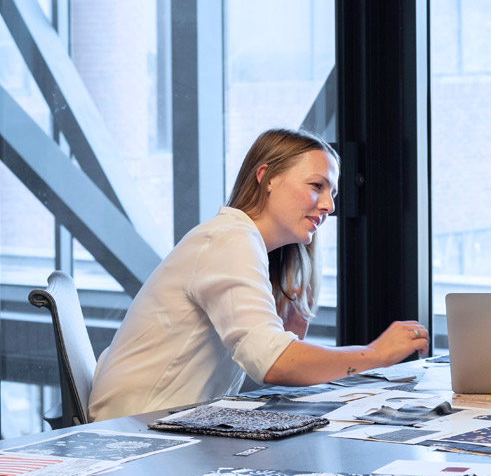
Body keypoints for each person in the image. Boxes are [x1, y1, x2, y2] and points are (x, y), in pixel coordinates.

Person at [88, 128, 428, 420]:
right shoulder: (229, 239)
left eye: (332, 193)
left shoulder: (243, 244)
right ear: (266, 176)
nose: (329, 206)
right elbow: (273, 363)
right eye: (316, 186)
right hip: (140, 431)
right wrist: (377, 354)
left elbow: (265, 367)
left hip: (165, 423)